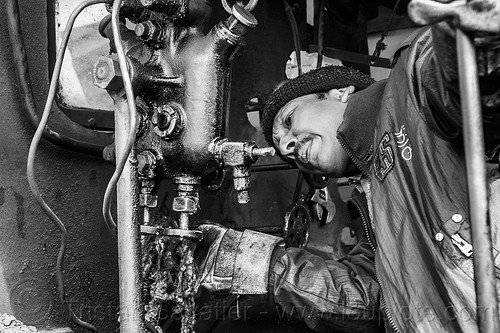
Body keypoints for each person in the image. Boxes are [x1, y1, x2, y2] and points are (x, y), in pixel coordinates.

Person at [194, 0, 500, 332]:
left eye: (289, 120)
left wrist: (475, 40)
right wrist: (259, 264)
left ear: (339, 92)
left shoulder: (410, 89)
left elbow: (456, 78)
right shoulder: (371, 202)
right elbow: (368, 301)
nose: (288, 145)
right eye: (285, 151)